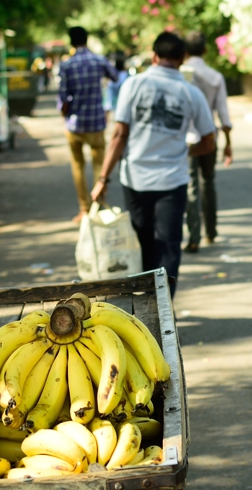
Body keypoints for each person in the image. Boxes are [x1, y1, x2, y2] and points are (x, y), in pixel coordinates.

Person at [90, 32, 216, 297]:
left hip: (135, 179)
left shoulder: (133, 85)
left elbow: (119, 135)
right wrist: (184, 153)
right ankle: (163, 307)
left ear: (154, 55)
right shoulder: (191, 93)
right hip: (173, 180)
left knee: (143, 242)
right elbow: (208, 142)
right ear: (182, 59)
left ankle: (145, 307)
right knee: (169, 246)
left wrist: (103, 178)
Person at [57, 26, 118, 222]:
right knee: (99, 164)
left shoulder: (67, 65)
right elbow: (115, 76)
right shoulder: (99, 60)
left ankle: (84, 208)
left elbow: (63, 97)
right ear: (87, 39)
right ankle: (98, 205)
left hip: (75, 124)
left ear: (71, 42)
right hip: (96, 123)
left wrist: (63, 113)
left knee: (78, 165)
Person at [181, 32, 233, 253]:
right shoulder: (215, 76)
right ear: (205, 50)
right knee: (208, 183)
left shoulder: (181, 76)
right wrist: (228, 143)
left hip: (187, 138)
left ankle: (194, 237)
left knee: (192, 186)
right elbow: (223, 113)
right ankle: (211, 231)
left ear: (185, 51)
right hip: (209, 136)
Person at [104, 52, 130, 116]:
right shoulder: (126, 76)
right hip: (124, 107)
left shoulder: (113, 77)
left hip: (114, 107)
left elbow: (109, 98)